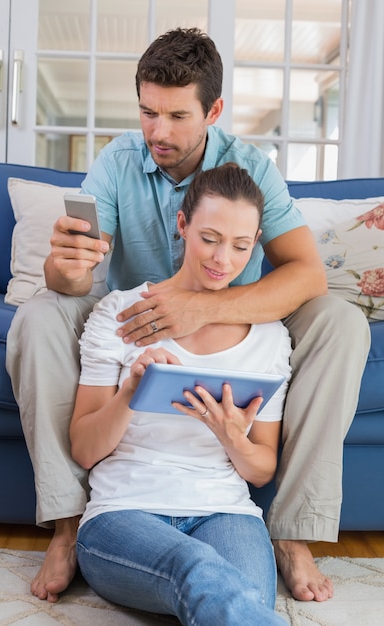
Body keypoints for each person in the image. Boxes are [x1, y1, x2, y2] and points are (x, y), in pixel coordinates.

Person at [6, 27, 370, 604]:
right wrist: (65, 268)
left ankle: (292, 532)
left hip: (236, 315)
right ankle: (69, 525)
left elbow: (307, 275)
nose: (158, 131)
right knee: (39, 315)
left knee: (342, 321)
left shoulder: (249, 167)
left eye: (177, 116)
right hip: (133, 321)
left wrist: (201, 305)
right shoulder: (118, 161)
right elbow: (76, 281)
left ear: (214, 110)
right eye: (148, 112)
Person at [70, 163, 290, 625]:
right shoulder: (121, 313)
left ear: (256, 243)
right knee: (197, 570)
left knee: (242, 597)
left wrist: (234, 440)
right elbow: (85, 449)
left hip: (225, 512)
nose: (223, 260)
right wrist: (131, 389)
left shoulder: (268, 337)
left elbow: (262, 469)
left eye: (240, 246)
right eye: (209, 238)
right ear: (183, 225)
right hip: (124, 513)